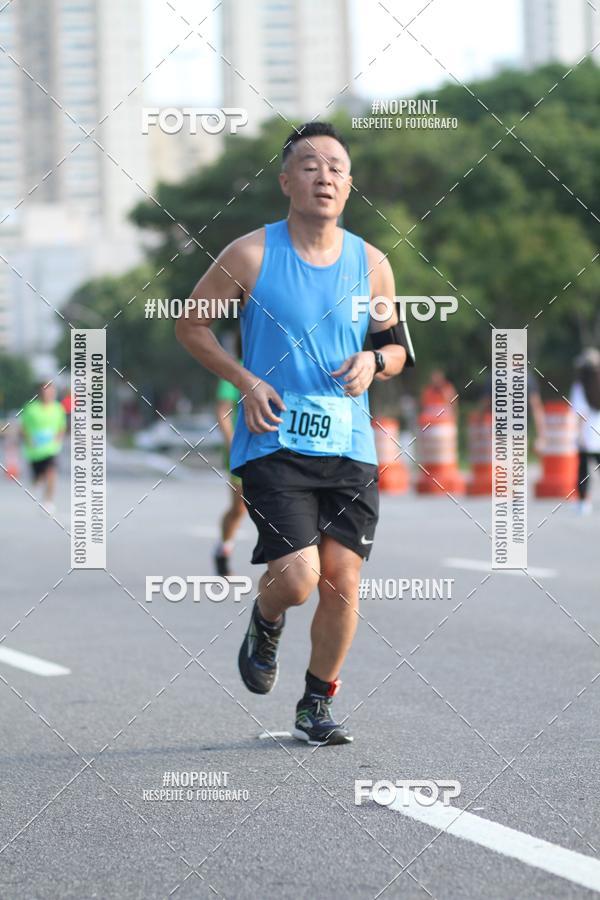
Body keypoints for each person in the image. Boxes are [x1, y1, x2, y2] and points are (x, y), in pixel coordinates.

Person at [176, 121, 414, 745]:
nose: (325, 176)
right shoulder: (250, 254)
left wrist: (374, 362)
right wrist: (246, 379)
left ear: (350, 184)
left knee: (343, 577)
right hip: (274, 437)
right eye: (310, 166)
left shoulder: (372, 263)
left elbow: (396, 349)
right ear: (286, 181)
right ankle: (267, 616)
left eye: (336, 166)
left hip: (350, 445)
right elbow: (191, 326)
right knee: (301, 577)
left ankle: (316, 703)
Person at [214, 335, 246, 576]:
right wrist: (232, 443)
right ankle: (223, 548)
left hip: (272, 450)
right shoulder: (235, 370)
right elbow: (223, 411)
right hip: (241, 451)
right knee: (239, 508)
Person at [20, 382, 67, 514]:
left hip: (51, 450)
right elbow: (23, 428)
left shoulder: (58, 408)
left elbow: (61, 427)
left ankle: (48, 502)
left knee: (51, 473)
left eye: (50, 390)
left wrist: (57, 440)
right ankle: (38, 483)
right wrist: (29, 441)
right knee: (37, 480)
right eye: (45, 390)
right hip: (34, 451)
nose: (48, 393)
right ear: (40, 392)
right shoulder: (30, 408)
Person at [570, 348, 600, 515]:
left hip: (587, 435)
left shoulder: (579, 386)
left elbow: (581, 413)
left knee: (583, 470)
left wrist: (579, 434)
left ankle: (583, 502)